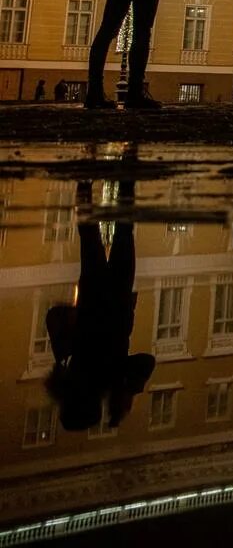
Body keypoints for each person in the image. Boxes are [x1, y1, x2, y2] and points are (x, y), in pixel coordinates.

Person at [44, 176, 154, 432]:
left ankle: (127, 172)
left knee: (122, 231)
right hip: (96, 295)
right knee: (90, 233)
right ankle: (86, 181)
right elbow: (55, 316)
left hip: (117, 299)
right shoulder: (68, 368)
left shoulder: (109, 380)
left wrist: (127, 391)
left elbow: (147, 361)